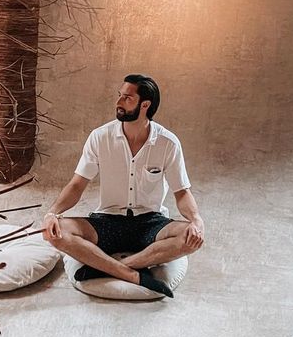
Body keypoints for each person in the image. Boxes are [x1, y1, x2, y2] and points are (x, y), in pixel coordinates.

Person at [42, 74, 205, 298]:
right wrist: (53, 213)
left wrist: (196, 220)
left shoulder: (168, 143)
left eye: (127, 98)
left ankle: (103, 267)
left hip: (150, 223)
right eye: (120, 95)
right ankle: (132, 274)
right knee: (53, 233)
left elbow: (182, 192)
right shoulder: (100, 137)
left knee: (191, 237)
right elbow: (77, 184)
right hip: (106, 222)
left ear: (145, 105)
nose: (118, 102)